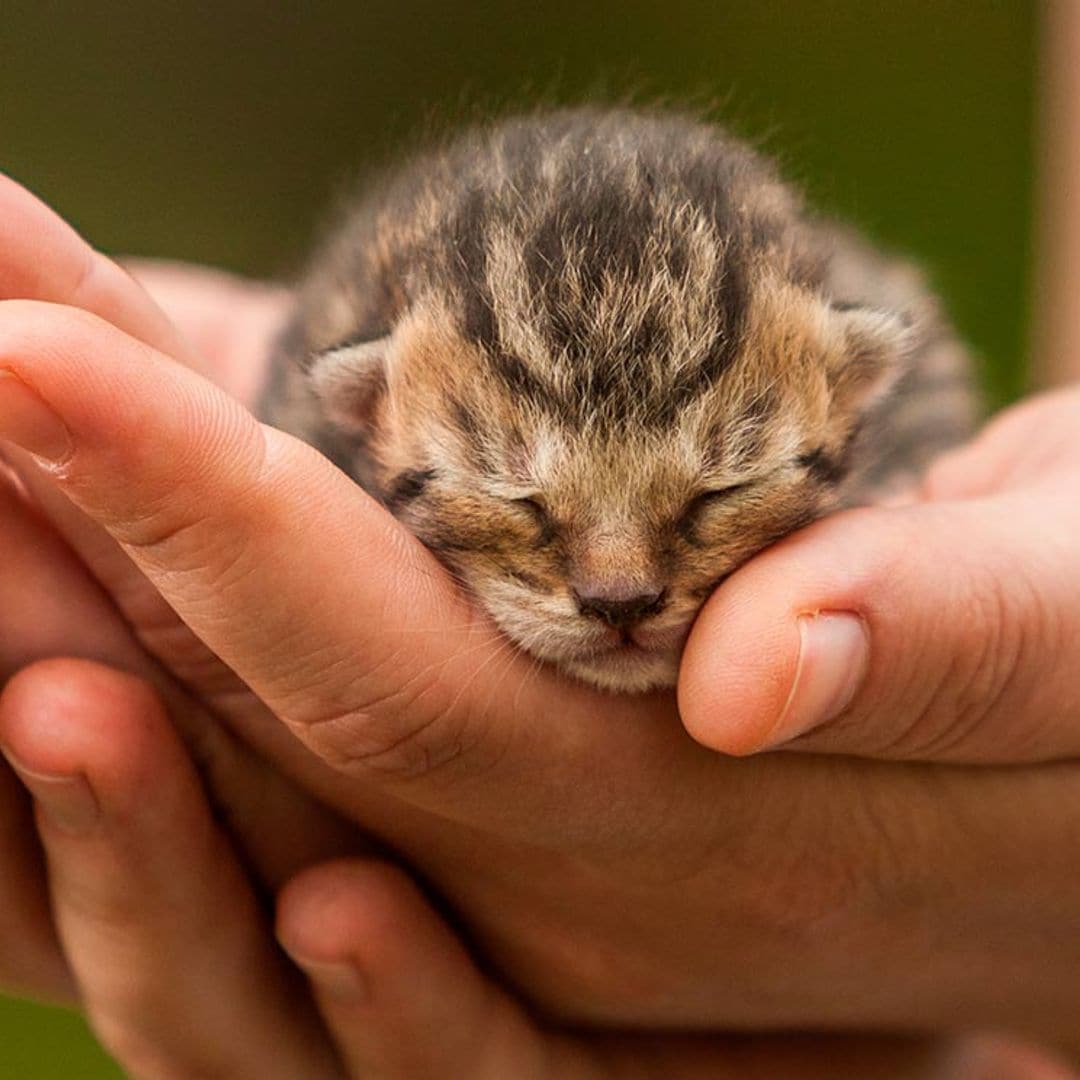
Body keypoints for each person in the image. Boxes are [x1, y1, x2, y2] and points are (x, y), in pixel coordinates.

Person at [0, 177, 1078, 1078]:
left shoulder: (874, 386)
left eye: (713, 499)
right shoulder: (337, 399)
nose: (619, 587)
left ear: (852, 393)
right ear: (365, 411)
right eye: (518, 507)